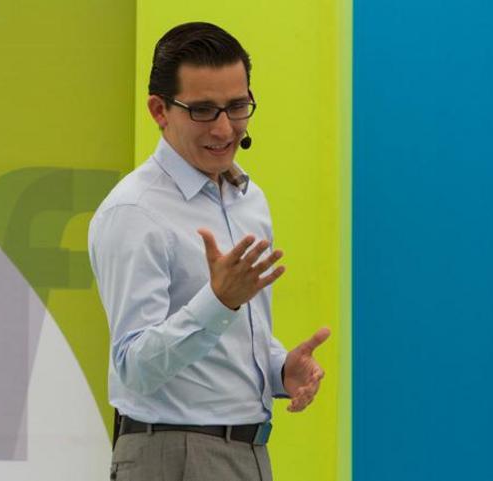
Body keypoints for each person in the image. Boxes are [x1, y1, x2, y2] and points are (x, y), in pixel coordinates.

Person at [88, 21, 330, 481]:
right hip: (171, 456)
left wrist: (279, 370)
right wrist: (219, 301)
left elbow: (230, 341)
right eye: (202, 110)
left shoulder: (249, 200)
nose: (224, 128)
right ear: (159, 110)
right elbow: (133, 368)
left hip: (249, 451)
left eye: (237, 107)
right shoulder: (134, 211)